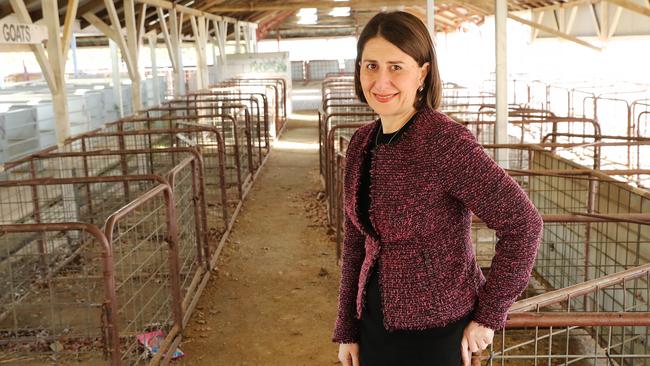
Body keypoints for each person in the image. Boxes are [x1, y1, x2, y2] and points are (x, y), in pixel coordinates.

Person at [332, 11, 544, 366]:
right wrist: (348, 329)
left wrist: (489, 316)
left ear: (423, 73)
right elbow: (356, 238)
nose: (381, 80)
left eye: (396, 67)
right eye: (371, 66)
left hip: (437, 333)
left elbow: (523, 223)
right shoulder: (361, 142)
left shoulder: (445, 143)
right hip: (372, 325)